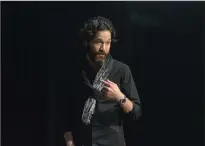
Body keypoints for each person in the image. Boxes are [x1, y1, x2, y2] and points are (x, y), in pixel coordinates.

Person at [64, 16, 141, 146]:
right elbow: (66, 111)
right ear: (87, 42)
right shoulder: (77, 71)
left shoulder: (121, 70)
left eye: (108, 43)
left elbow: (136, 112)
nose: (103, 48)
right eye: (99, 42)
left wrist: (119, 97)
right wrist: (69, 142)